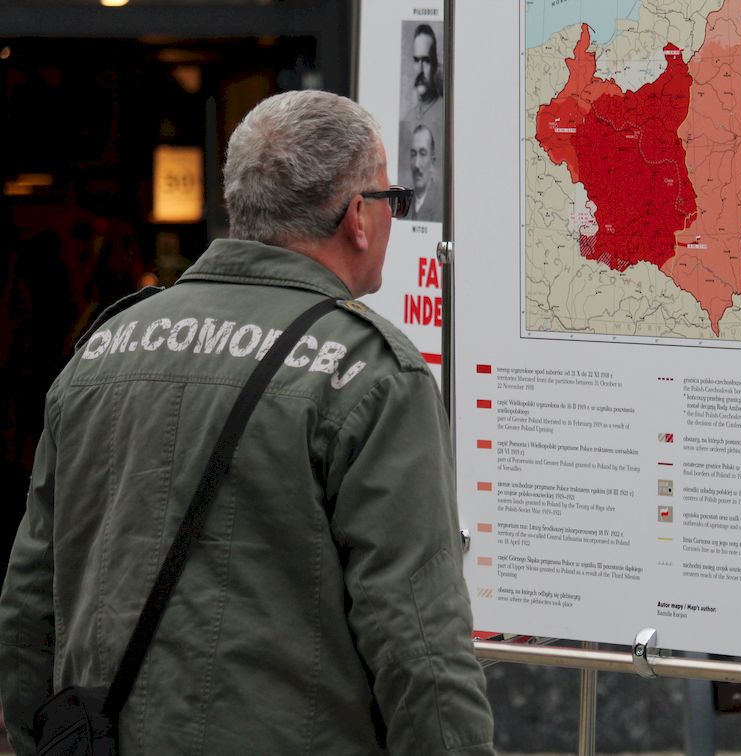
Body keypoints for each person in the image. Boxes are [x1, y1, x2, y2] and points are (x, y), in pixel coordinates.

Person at [0, 90, 494, 755]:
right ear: (357, 217)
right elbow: (419, 642)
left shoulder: (103, 350)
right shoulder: (369, 372)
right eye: (392, 201)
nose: (391, 219)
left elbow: (28, 602)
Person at [399, 23, 445, 214]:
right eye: (416, 60)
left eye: (426, 60)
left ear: (435, 64)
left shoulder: (444, 112)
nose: (420, 69)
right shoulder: (408, 116)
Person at [408, 124, 442, 222]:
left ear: (432, 163)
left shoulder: (441, 206)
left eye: (423, 154)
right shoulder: (402, 205)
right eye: (413, 154)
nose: (417, 164)